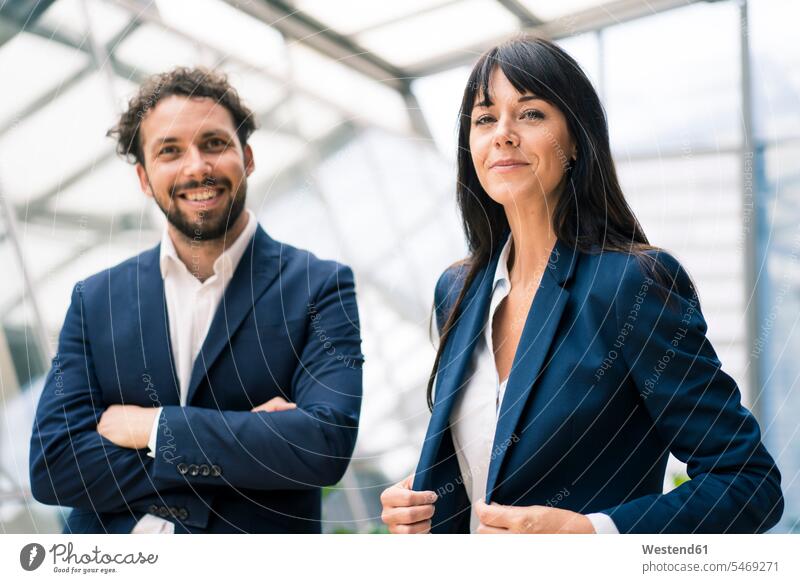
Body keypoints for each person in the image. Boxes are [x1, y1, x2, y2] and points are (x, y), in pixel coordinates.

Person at [380, 38, 783, 534]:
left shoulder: (632, 284)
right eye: (485, 119)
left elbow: (748, 484)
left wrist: (592, 534)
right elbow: (488, 469)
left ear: (575, 139)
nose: (503, 134)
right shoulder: (458, 289)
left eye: (529, 114)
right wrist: (420, 505)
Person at [29, 67, 363, 533]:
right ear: (145, 179)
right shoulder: (95, 301)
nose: (196, 167)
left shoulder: (320, 286)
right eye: (170, 151)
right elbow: (54, 466)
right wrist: (247, 445)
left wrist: (151, 428)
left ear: (246, 157)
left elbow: (321, 446)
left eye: (214, 143)